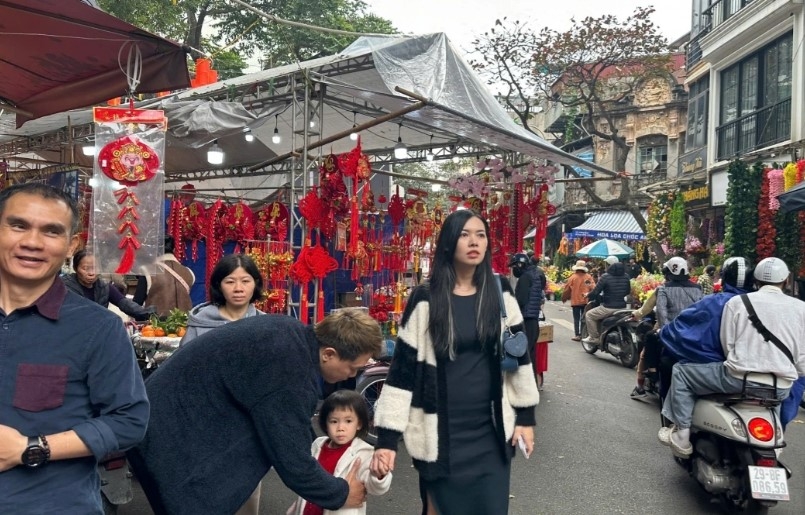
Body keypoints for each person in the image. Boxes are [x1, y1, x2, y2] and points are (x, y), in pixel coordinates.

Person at [127, 308, 381, 515]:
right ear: (329, 354)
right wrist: (341, 493)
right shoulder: (290, 370)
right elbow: (291, 459)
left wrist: (321, 460)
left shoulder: (292, 335)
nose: (351, 376)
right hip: (170, 435)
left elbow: (294, 426)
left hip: (162, 417)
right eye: (353, 368)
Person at [370, 209, 539, 515]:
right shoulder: (425, 298)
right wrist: (386, 440)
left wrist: (526, 418)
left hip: (490, 431)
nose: (474, 242)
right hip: (440, 433)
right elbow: (402, 374)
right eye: (464, 235)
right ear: (449, 243)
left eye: (481, 235)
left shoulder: (500, 292)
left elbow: (520, 357)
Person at [0, 183, 149, 513]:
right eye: (18, 225)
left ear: (71, 245)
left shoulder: (98, 328)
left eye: (51, 231)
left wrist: (31, 448)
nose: (32, 242)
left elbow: (129, 420)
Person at [660, 257, 805, 457]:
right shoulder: (800, 308)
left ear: (757, 281)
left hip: (739, 380)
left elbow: (728, 343)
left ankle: (682, 435)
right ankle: (775, 441)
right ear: (787, 281)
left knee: (681, 372)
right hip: (780, 388)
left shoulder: (735, 302)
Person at [287, 390, 392, 515]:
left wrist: (379, 475)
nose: (341, 428)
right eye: (334, 421)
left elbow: (374, 488)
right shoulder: (317, 446)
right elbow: (307, 481)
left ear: (359, 423)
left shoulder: (364, 453)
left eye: (348, 421)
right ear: (325, 424)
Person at [630, 257, 702, 399]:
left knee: (645, 352)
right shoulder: (698, 289)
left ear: (667, 272)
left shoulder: (663, 289)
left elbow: (661, 313)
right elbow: (701, 311)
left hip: (668, 332)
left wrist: (666, 331)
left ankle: (641, 385)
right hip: (692, 333)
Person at [180, 253, 264, 346]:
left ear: (256, 283)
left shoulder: (264, 324)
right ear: (218, 285)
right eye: (230, 282)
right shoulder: (200, 323)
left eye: (245, 281)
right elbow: (185, 359)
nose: (238, 289)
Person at [61, 249, 156, 321]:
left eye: (95, 268)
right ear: (75, 268)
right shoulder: (65, 286)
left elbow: (124, 303)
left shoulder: (104, 286)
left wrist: (147, 313)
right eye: (85, 268)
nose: (91, 273)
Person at [508, 252, 546, 388]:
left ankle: (525, 385)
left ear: (520, 265)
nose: (513, 270)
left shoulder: (525, 277)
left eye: (514, 267)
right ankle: (532, 384)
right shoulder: (537, 273)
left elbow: (521, 300)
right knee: (530, 352)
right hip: (533, 319)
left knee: (524, 352)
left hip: (526, 319)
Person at [582, 255, 631, 345]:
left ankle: (594, 338)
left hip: (609, 307)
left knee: (589, 315)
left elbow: (596, 291)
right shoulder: (626, 276)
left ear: (609, 265)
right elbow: (628, 291)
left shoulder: (605, 276)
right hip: (623, 307)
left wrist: (588, 295)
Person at [143, 235, 195, 318]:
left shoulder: (148, 271)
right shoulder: (189, 273)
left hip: (156, 328)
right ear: (174, 250)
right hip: (186, 327)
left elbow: (137, 304)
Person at [561, 259, 596, 341]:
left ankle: (577, 335)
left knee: (576, 319)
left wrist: (564, 298)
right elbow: (592, 287)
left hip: (575, 301)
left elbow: (567, 290)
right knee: (584, 318)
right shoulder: (587, 277)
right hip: (585, 301)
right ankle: (584, 334)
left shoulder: (573, 277)